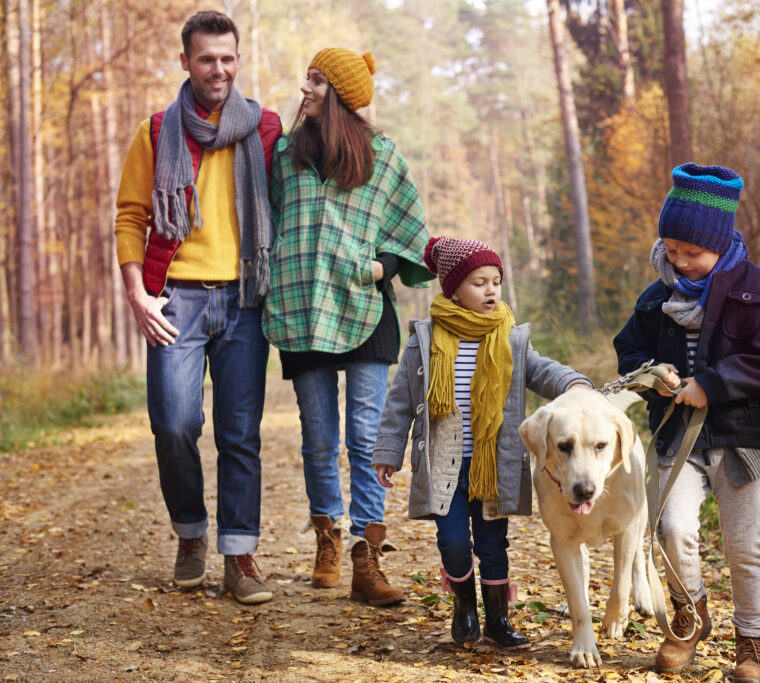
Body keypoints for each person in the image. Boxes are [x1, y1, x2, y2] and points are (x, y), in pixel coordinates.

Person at [114, 11, 282, 604]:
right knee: (174, 425)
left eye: (228, 58)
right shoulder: (158, 129)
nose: (219, 68)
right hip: (175, 299)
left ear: (239, 60)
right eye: (207, 58)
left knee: (240, 434)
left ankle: (239, 557)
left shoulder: (264, 128)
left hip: (244, 298)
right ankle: (190, 534)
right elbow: (132, 216)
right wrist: (138, 293)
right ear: (185, 61)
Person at [261, 47, 433, 604]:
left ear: (338, 93)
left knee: (364, 436)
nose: (304, 88)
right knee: (318, 440)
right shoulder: (285, 152)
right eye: (307, 79)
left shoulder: (381, 155)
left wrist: (380, 265)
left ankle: (366, 552)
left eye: (315, 81)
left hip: (365, 309)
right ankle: (327, 536)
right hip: (302, 308)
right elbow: (268, 219)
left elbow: (411, 229)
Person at [613, 163, 760, 682]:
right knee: (672, 528)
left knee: (745, 548)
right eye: (671, 249)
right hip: (678, 437)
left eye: (693, 252)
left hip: (741, 439)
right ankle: (687, 617)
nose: (681, 262)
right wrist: (652, 374)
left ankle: (752, 644)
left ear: (721, 244)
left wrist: (709, 385)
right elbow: (629, 350)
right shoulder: (655, 298)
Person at [372, 237, 593, 647]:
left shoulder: (509, 337)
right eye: (479, 282)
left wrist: (575, 383)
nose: (491, 290)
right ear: (453, 289)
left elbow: (541, 371)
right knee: (454, 541)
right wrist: (388, 451)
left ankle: (497, 620)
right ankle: (465, 608)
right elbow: (400, 399)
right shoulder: (425, 338)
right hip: (444, 462)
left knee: (493, 544)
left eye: (496, 281)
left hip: (494, 463)